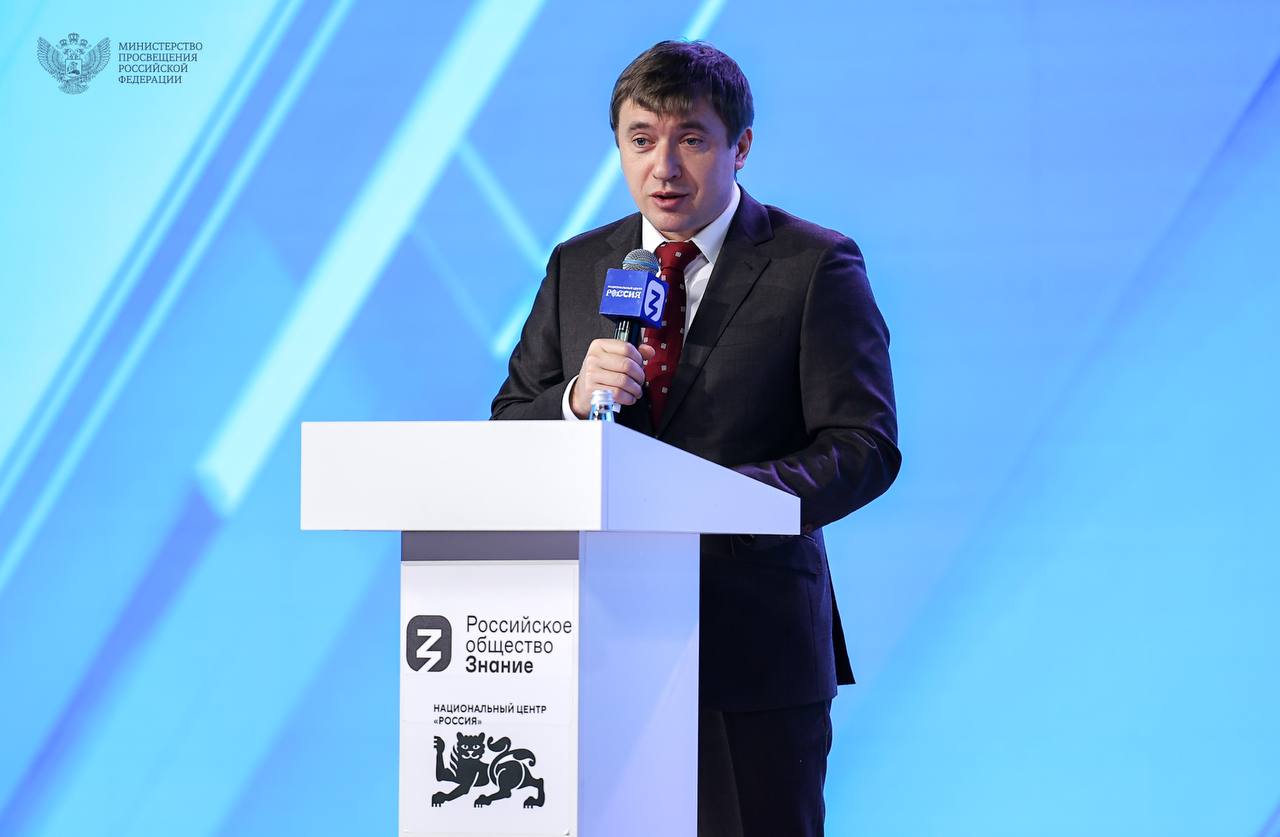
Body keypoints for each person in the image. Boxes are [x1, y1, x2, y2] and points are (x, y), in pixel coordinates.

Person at [490, 40, 900, 837]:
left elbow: (864, 444)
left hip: (751, 653)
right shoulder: (580, 265)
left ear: (740, 146)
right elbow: (508, 427)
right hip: (594, 646)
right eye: (641, 140)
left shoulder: (813, 265)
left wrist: (723, 502)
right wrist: (571, 400)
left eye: (691, 139)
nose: (664, 167)